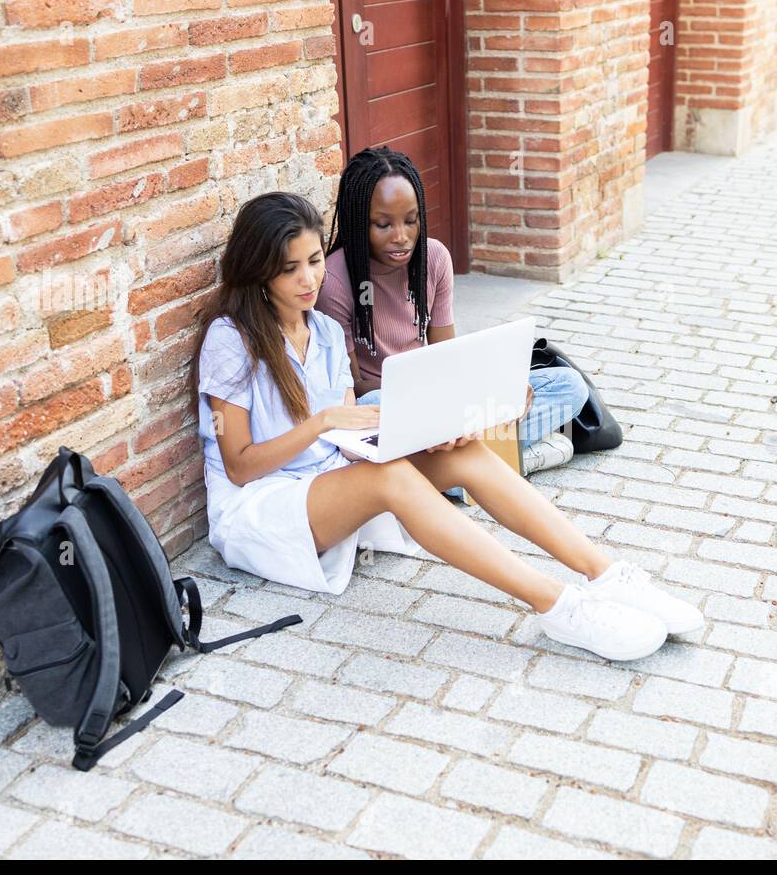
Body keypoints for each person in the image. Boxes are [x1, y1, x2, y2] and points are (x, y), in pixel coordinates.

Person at [187, 192, 704, 662]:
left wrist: (424, 432)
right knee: (388, 479)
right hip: (260, 507)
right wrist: (322, 422)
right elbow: (239, 467)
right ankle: (559, 607)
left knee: (465, 452)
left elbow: (349, 439)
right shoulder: (231, 339)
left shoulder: (321, 329)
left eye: (316, 261)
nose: (309, 280)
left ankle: (606, 574)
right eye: (289, 269)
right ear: (258, 271)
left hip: (324, 481)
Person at [317, 145, 589, 475]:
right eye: (383, 225)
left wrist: (489, 392)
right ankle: (503, 463)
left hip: (440, 397)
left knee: (568, 385)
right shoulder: (335, 280)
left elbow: (448, 355)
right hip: (387, 405)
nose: (402, 237)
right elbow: (351, 386)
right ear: (358, 221)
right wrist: (431, 410)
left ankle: (460, 470)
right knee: (369, 408)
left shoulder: (434, 258)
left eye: (411, 220)